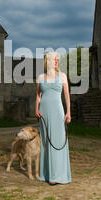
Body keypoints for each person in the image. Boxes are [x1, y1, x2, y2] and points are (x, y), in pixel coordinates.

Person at [35, 51, 72, 185]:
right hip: (44, 112)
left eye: (58, 59)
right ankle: (47, 174)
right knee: (46, 142)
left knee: (58, 140)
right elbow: (38, 96)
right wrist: (36, 109)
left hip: (58, 111)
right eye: (54, 59)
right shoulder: (40, 77)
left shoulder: (62, 76)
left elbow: (67, 96)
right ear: (48, 61)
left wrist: (68, 112)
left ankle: (57, 175)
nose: (56, 61)